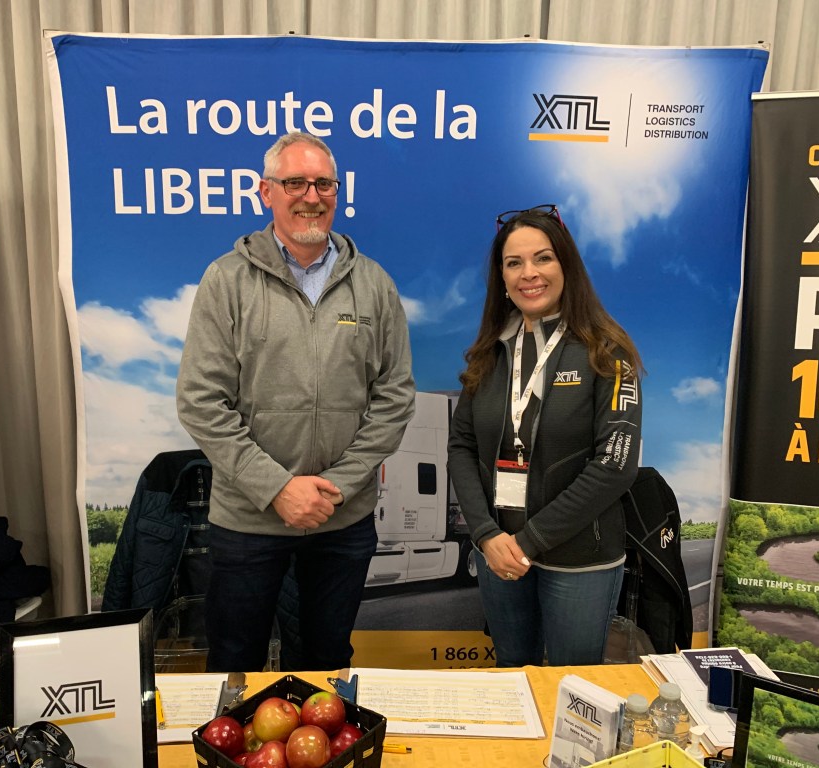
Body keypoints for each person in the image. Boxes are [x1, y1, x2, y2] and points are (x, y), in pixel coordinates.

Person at [176, 132, 415, 673]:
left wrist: (337, 486)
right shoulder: (226, 280)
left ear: (337, 192)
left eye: (324, 184)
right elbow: (200, 401)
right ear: (266, 192)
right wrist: (278, 489)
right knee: (235, 662)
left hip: (341, 520)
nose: (312, 196)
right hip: (249, 520)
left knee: (326, 663)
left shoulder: (374, 285)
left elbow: (395, 398)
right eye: (296, 183)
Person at [447, 205, 643, 667]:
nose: (529, 273)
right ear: (502, 277)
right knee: (513, 674)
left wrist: (528, 541)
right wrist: (486, 535)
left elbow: (615, 466)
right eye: (514, 263)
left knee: (572, 687)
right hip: (498, 552)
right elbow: (461, 447)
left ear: (566, 265)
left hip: (579, 559)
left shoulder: (606, 351)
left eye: (543, 258)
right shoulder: (489, 353)